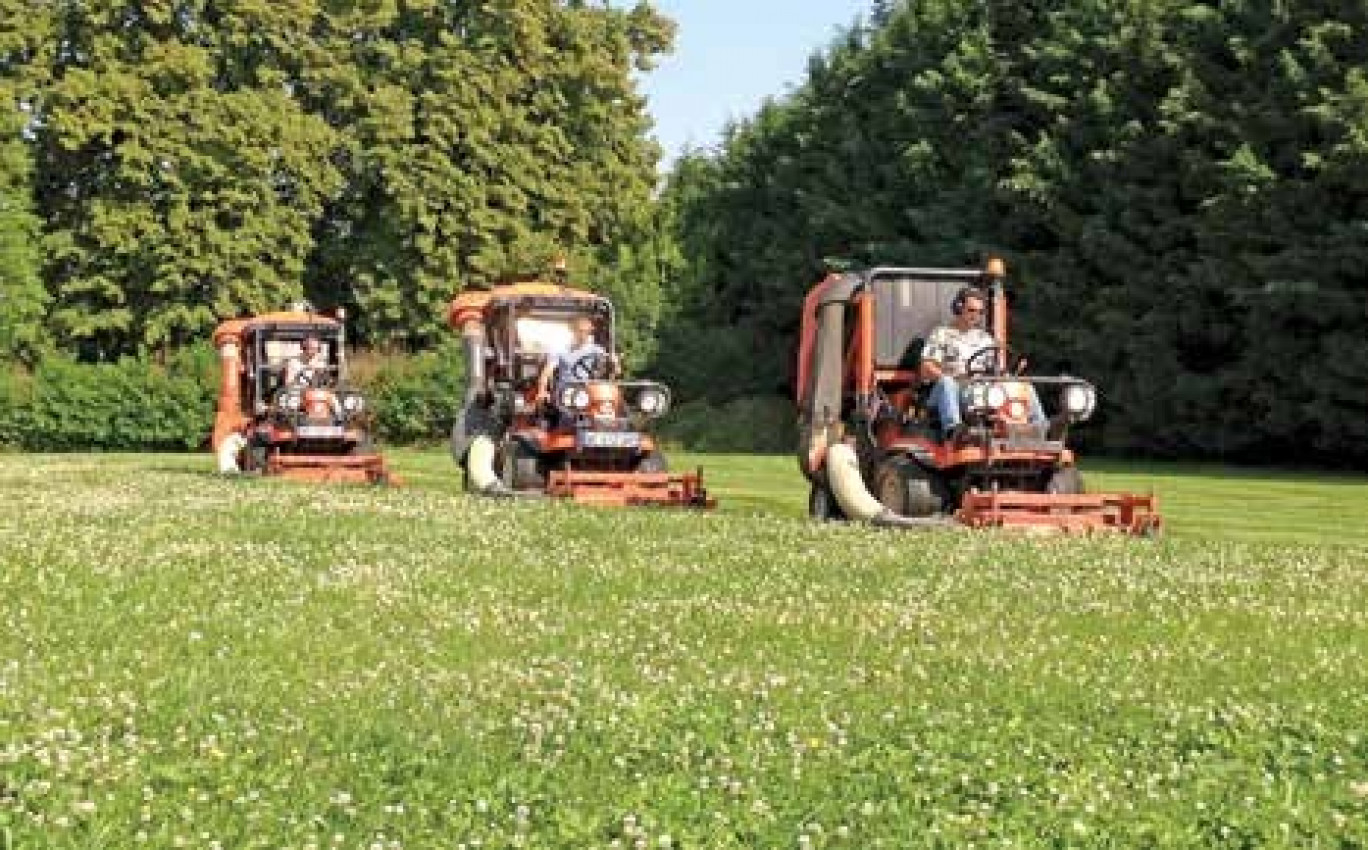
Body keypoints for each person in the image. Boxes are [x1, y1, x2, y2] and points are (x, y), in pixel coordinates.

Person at [920, 287, 1043, 441]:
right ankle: (954, 430)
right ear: (958, 308)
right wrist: (954, 378)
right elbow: (926, 369)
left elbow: (995, 368)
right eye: (971, 310)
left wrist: (1008, 375)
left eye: (980, 312)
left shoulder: (985, 339)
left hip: (981, 389)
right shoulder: (941, 334)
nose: (976, 316)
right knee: (947, 382)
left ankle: (1039, 429)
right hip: (950, 391)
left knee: (1024, 386)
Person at [534, 316, 620, 404]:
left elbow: (614, 372)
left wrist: (615, 363)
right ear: (573, 331)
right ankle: (567, 417)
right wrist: (542, 390)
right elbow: (546, 372)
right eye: (581, 331)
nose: (583, 335)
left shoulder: (597, 350)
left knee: (605, 401)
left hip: (589, 390)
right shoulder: (561, 350)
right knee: (571, 402)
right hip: (566, 390)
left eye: (587, 332)